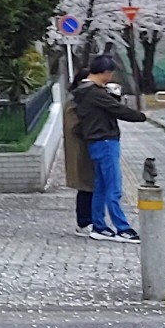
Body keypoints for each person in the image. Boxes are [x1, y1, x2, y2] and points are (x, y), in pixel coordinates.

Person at [72, 54, 148, 241]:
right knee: (113, 188)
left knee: (101, 186)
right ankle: (122, 228)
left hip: (95, 142)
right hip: (105, 141)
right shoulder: (95, 93)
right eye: (111, 73)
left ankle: (99, 226)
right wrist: (142, 116)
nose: (111, 77)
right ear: (105, 73)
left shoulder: (84, 90)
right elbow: (118, 110)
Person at [61, 67, 95, 235]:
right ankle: (84, 222)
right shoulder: (75, 102)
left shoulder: (80, 100)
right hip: (82, 150)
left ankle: (91, 220)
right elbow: (75, 126)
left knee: (91, 186)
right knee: (86, 186)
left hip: (88, 148)